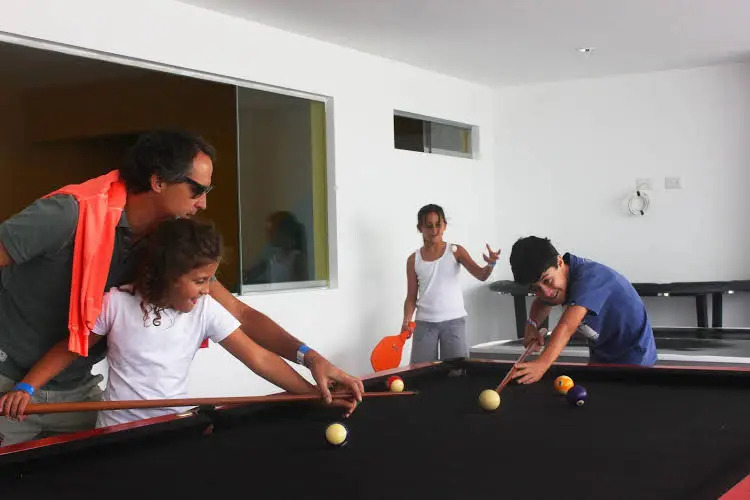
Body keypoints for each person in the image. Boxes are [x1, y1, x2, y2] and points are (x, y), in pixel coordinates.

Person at [0, 130, 362, 445]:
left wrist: (311, 358)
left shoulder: (166, 246)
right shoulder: (70, 213)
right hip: (8, 383)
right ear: (158, 181)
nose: (203, 203)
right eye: (196, 190)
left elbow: (240, 313)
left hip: (77, 391)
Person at [0, 219, 350, 426]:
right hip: (115, 431)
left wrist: (311, 394)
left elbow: (259, 357)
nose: (207, 289)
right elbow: (70, 348)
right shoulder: (116, 302)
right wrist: (27, 387)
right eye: (200, 280)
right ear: (169, 275)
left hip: (174, 426)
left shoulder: (205, 310)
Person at [508, 236, 657, 384]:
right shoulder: (561, 277)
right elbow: (542, 302)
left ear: (560, 262)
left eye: (547, 281)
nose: (546, 292)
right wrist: (531, 325)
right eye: (536, 289)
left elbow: (566, 326)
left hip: (635, 357)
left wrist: (541, 365)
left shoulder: (590, 278)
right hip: (601, 355)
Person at [402, 204, 500, 363]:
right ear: (420, 228)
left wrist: (491, 264)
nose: (434, 230)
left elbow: (481, 275)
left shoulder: (456, 251)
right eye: (429, 226)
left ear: (444, 225)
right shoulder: (413, 260)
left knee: (457, 371)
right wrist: (406, 320)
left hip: (454, 321)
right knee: (421, 372)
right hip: (424, 323)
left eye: (438, 224)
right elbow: (411, 297)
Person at [244, 211, 308, 284]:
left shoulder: (296, 258)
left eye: (272, 231)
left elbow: (302, 284)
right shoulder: (271, 255)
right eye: (268, 231)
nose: (269, 236)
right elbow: (253, 273)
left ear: (283, 232)